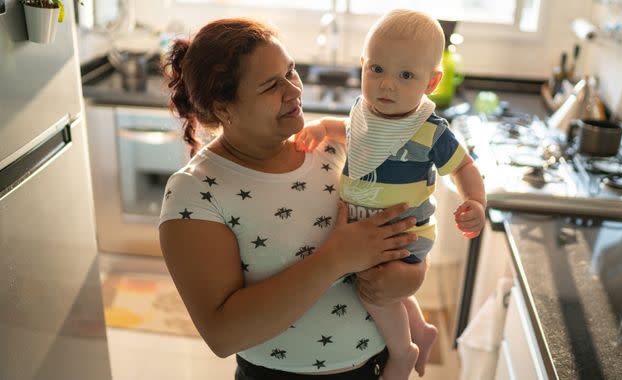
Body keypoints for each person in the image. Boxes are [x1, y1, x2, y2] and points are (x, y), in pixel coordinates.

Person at [158, 17, 432, 380]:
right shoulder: (195, 193)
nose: (294, 91)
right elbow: (223, 335)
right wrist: (336, 258)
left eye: (291, 72)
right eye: (271, 85)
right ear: (223, 108)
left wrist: (410, 277)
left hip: (377, 369)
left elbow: (407, 231)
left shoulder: (336, 146)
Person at [295, 9, 487, 380]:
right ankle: (420, 328)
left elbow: (464, 167)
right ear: (362, 66)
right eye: (377, 70)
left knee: (371, 290)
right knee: (371, 284)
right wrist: (323, 128)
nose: (387, 85)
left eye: (405, 76)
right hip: (369, 229)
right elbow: (352, 131)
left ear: (431, 83)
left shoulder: (430, 132)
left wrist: (476, 201)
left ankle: (402, 351)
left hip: (402, 234)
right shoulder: (366, 113)